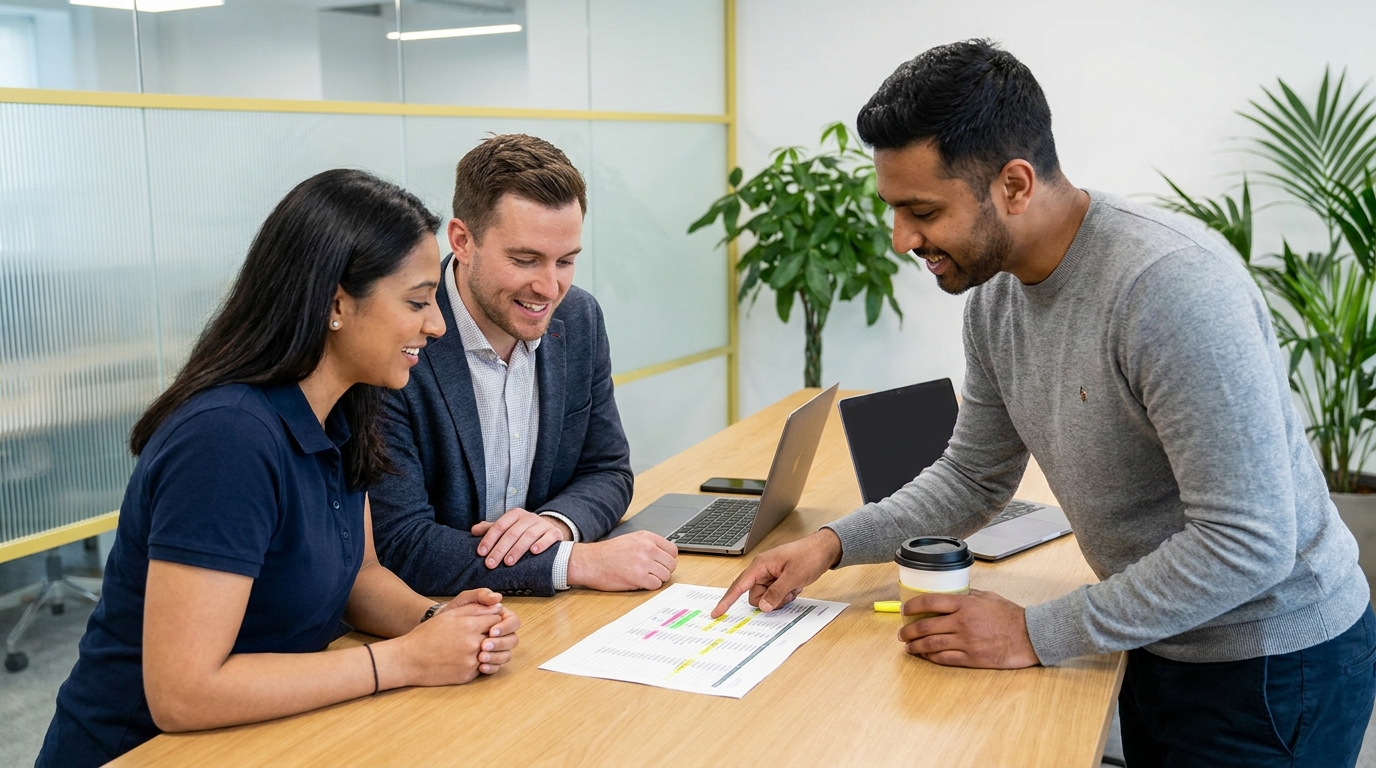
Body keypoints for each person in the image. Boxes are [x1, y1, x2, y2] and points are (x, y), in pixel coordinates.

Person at [713, 40, 1375, 767]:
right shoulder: (994, 297)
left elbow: (1246, 542)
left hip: (1272, 664)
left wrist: (1035, 632)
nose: (902, 238)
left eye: (922, 210)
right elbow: (974, 477)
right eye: (894, 210)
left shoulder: (1173, 290)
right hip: (1157, 635)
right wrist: (831, 545)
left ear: (1015, 185)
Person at [37, 169, 520, 768]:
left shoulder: (342, 409)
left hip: (268, 736)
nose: (437, 324)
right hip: (145, 751)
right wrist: (400, 661)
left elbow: (360, 575)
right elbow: (183, 693)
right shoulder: (226, 440)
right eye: (418, 301)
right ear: (336, 302)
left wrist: (438, 622)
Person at [369, 134, 677, 598]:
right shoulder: (401, 339)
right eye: (525, 259)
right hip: (434, 615)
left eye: (566, 261)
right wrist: (571, 561)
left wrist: (556, 525)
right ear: (462, 240)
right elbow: (400, 543)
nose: (550, 287)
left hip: (542, 617)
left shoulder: (578, 318)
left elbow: (607, 470)